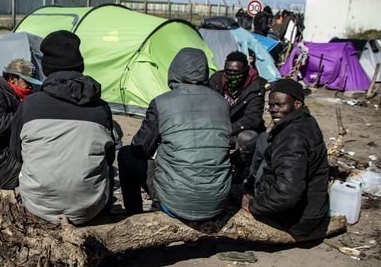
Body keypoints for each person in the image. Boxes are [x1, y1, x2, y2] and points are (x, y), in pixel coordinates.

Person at [9, 30, 115, 225]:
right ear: (80, 65)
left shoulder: (29, 105)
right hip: (89, 208)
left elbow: (17, 153)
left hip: (38, 205)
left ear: (46, 69)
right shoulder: (101, 108)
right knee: (108, 170)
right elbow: (109, 157)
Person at [118, 48, 232, 220]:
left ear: (174, 71)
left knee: (126, 154)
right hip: (216, 202)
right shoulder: (222, 103)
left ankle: (135, 216)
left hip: (175, 202)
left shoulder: (162, 102)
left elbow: (140, 148)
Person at [242, 79, 329, 236]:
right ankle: (250, 183)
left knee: (235, 197)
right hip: (312, 209)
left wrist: (255, 206)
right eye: (271, 105)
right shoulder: (306, 121)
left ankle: (251, 189)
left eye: (280, 105)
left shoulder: (292, 138)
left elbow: (288, 193)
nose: (273, 109)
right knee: (263, 139)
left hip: (297, 219)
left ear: (297, 104)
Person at [0, 58, 42, 190]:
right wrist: (26, 115)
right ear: (12, 79)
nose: (30, 86)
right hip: (3, 166)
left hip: (12, 157)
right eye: (26, 82)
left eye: (32, 82)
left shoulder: (16, 95)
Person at [209, 51, 266, 152]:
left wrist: (227, 130)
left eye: (236, 72)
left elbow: (252, 119)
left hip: (241, 129)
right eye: (228, 70)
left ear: (245, 70)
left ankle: (241, 164)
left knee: (247, 137)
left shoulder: (256, 86)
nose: (231, 74)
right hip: (218, 125)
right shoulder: (216, 80)